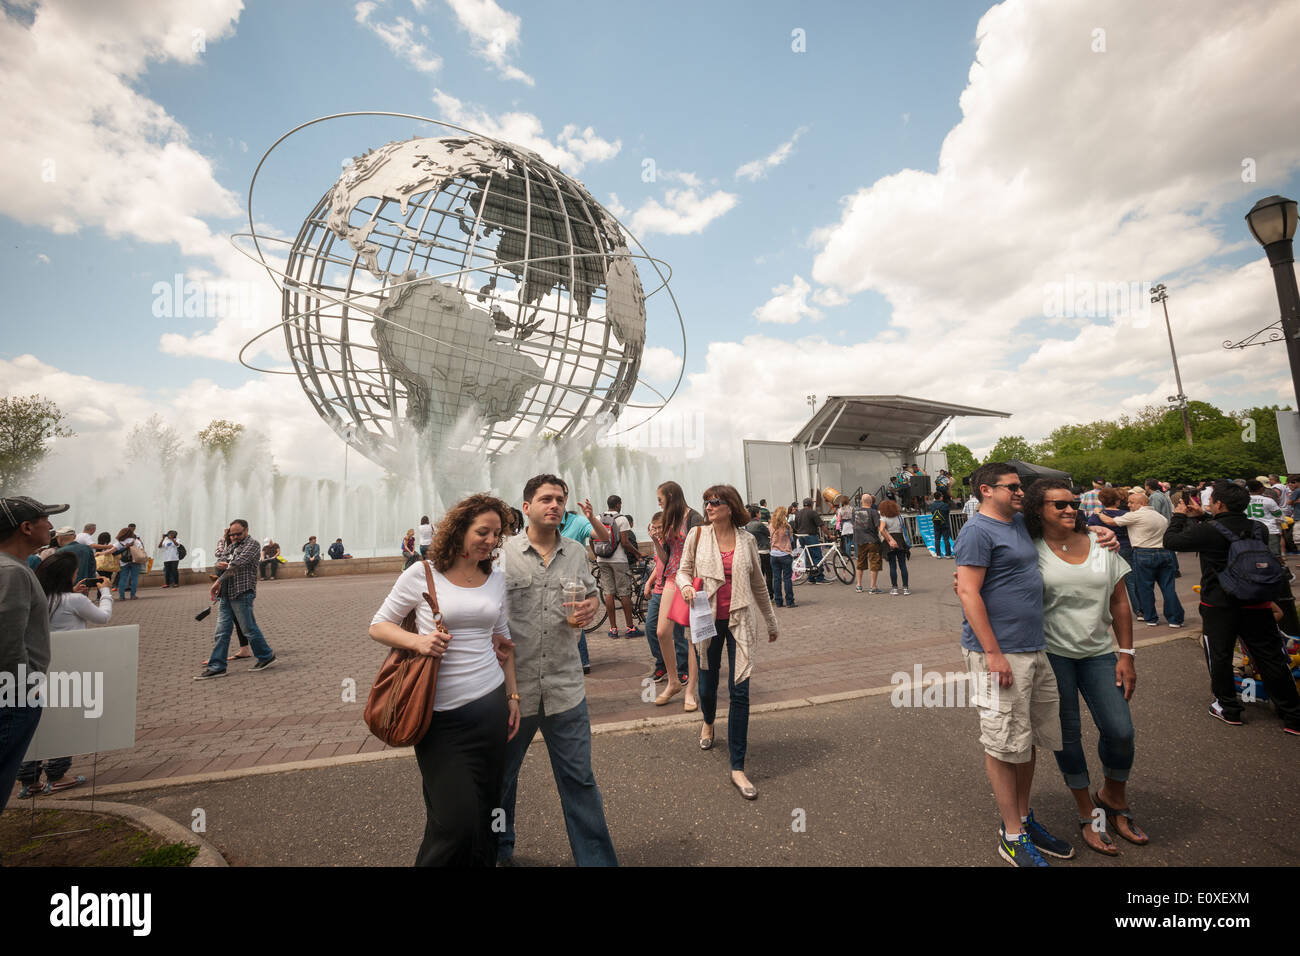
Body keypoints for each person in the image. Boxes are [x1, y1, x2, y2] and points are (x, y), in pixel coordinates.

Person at [368, 494, 521, 865]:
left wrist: (513, 697)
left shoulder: (495, 578)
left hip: (490, 707)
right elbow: (378, 626)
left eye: (496, 534)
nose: (489, 540)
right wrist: (418, 641)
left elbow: (504, 641)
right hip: (438, 714)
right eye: (482, 532)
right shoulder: (422, 573)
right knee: (454, 821)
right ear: (458, 530)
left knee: (486, 813)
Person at [955, 463, 1073, 867]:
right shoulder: (976, 531)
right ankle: (1011, 835)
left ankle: (1024, 818)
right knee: (1004, 743)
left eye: (1022, 487)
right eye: (1013, 487)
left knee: (1027, 741)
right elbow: (968, 593)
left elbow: (1069, 523)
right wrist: (992, 653)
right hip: (1000, 653)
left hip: (1033, 648)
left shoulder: (1018, 523)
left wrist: (1102, 533)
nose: (1021, 493)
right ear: (986, 490)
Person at [496, 474, 616, 866]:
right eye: (546, 499)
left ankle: (596, 861)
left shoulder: (577, 553)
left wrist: (592, 607)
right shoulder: (501, 554)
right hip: (514, 693)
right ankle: (499, 850)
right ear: (526, 506)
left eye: (560, 500)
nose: (555, 505)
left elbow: (592, 595)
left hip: (566, 688)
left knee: (579, 781)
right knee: (501, 781)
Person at [1025, 480, 1146, 855]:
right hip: (1052, 655)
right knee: (1068, 735)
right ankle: (1087, 811)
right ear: (1038, 509)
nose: (1069, 509)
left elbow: (1120, 602)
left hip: (1098, 654)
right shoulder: (1029, 549)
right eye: (1059, 504)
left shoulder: (1102, 543)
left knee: (1120, 730)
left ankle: (1112, 795)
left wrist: (1126, 654)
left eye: (1074, 503)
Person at [1164, 482, 1300, 734]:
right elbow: (1231, 529)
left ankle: (1229, 708)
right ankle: (1292, 714)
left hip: (1219, 603)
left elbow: (1171, 541)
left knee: (1220, 656)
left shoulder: (1207, 530)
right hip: (1257, 601)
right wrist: (1204, 516)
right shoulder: (1257, 527)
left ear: (1219, 504)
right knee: (1270, 656)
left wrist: (1179, 515)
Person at [677, 484, 779, 800]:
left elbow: (758, 585)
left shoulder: (747, 540)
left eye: (715, 501)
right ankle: (708, 721)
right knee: (707, 687)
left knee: (740, 691)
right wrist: (685, 588)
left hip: (740, 621)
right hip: (706, 620)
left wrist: (772, 621)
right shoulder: (697, 536)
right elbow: (682, 573)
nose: (709, 506)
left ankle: (737, 766)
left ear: (730, 506)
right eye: (706, 501)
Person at [17, 552, 115, 797]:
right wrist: (105, 593)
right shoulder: (73, 600)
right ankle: (57, 775)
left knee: (35, 724)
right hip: (69, 669)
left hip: (36, 669)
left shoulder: (36, 598)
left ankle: (29, 781)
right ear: (66, 575)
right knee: (64, 720)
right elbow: (103, 618)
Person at [0, 496, 67, 813]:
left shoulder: (13, 568)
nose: (51, 526)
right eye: (45, 519)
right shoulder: (11, 573)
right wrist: (23, 690)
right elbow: (7, 643)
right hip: (11, 700)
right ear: (26, 527)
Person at [194, 519, 277, 679]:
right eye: (232, 535)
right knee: (221, 632)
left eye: (238, 534)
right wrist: (225, 567)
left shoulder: (253, 544)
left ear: (246, 530)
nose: (235, 537)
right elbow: (219, 561)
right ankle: (217, 666)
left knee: (248, 629)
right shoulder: (232, 546)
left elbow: (237, 564)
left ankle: (266, 656)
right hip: (226, 594)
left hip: (242, 593)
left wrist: (220, 577)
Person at [1096, 491, 1183, 628]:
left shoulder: (1136, 515)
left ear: (1142, 503)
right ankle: (1175, 619)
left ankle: (1151, 618)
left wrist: (1098, 513)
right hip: (1164, 552)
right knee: (1168, 587)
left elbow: (1110, 522)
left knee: (1145, 587)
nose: (1129, 505)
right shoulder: (1161, 517)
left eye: (1132, 502)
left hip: (1143, 552)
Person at [652, 481, 704, 706]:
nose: (659, 505)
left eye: (660, 500)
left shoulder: (694, 518)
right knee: (662, 631)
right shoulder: (668, 521)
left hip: (692, 579)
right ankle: (673, 681)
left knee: (692, 637)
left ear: (671, 496)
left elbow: (702, 551)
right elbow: (665, 559)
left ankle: (690, 690)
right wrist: (656, 539)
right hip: (672, 577)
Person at [556, 498, 609, 674]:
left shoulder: (577, 521)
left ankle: (583, 662)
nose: (555, 504)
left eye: (560, 499)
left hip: (574, 583)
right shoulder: (546, 524)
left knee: (576, 619)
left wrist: (592, 518)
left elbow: (603, 536)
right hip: (553, 582)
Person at [643, 512, 686, 684]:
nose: (657, 530)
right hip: (659, 590)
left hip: (673, 589)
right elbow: (658, 565)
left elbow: (667, 560)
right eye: (655, 527)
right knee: (650, 628)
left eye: (660, 527)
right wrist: (649, 583)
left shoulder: (671, 541)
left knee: (677, 633)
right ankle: (663, 664)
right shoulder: (658, 541)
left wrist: (655, 540)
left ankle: (682, 669)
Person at [595, 495, 643, 640]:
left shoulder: (598, 518)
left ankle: (613, 629)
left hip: (602, 559)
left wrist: (597, 555)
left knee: (608, 593)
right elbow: (625, 542)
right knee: (624, 593)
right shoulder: (622, 519)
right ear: (618, 505)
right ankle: (630, 628)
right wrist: (638, 553)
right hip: (619, 561)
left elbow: (592, 539)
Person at [1087, 488, 1140, 620]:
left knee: (1106, 581)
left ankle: (1105, 610)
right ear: (1117, 501)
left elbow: (1090, 532)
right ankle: (1139, 609)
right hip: (1126, 546)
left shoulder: (1095, 516)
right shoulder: (1125, 513)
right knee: (1130, 579)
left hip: (1105, 548)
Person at [878, 499, 911, 595]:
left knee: (892, 566)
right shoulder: (900, 517)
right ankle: (905, 588)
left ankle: (895, 588)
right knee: (903, 565)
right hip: (900, 540)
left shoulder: (883, 517)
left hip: (889, 542)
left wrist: (890, 540)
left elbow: (881, 529)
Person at [852, 493, 883, 594]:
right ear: (871, 502)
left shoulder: (855, 512)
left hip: (859, 540)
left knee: (860, 562)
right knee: (874, 562)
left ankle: (859, 585)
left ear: (861, 501)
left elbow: (854, 524)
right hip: (872, 540)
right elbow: (878, 527)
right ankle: (873, 587)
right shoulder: (874, 512)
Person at [1246, 479, 1285, 558]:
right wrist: (1280, 528)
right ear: (1261, 489)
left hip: (1251, 530)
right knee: (1274, 556)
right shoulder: (1268, 500)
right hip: (1270, 530)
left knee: (1255, 555)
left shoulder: (1244, 500)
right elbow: (1278, 515)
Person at [768, 506, 796, 607]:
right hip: (785, 554)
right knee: (787, 579)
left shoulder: (771, 525)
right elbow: (791, 540)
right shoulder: (787, 527)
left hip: (774, 554)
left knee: (776, 579)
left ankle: (778, 601)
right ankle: (789, 601)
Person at [793, 497, 825, 583]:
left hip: (801, 537)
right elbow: (821, 525)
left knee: (808, 557)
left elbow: (795, 527)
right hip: (811, 536)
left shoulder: (798, 514)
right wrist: (829, 535)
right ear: (811, 504)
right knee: (817, 556)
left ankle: (811, 577)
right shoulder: (812, 512)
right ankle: (819, 578)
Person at [745, 504, 773, 599]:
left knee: (759, 575)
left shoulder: (747, 525)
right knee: (769, 574)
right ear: (757, 514)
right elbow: (769, 533)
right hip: (764, 551)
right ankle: (770, 594)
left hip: (755, 552)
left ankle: (760, 595)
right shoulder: (760, 524)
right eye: (760, 512)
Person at [113, 526, 145, 600]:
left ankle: (121, 596)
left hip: (123, 562)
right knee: (134, 578)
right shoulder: (136, 541)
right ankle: (133, 595)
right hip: (135, 561)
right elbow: (141, 550)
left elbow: (114, 552)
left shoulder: (119, 542)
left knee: (123, 578)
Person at [931, 491, 954, 559]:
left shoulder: (932, 505)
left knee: (937, 539)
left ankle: (938, 554)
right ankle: (948, 554)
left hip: (936, 524)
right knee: (946, 539)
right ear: (940, 497)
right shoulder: (945, 505)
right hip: (945, 524)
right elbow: (947, 513)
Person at [835, 495, 855, 563]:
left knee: (847, 542)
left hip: (845, 525)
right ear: (848, 501)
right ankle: (857, 556)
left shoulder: (840, 509)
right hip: (852, 524)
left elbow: (839, 519)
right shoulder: (852, 508)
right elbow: (854, 517)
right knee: (854, 541)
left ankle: (848, 557)